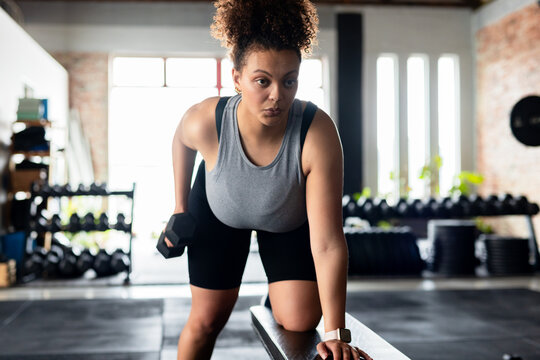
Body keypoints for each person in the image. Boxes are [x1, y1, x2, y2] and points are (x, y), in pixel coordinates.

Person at [164, 1, 373, 359]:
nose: (277, 95)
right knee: (205, 321)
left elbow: (328, 242)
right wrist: (180, 207)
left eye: (289, 81)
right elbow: (181, 142)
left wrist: (337, 332)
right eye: (262, 81)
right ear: (237, 78)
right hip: (219, 211)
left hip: (286, 220)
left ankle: (280, 293)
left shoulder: (317, 133)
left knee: (300, 320)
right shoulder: (205, 121)